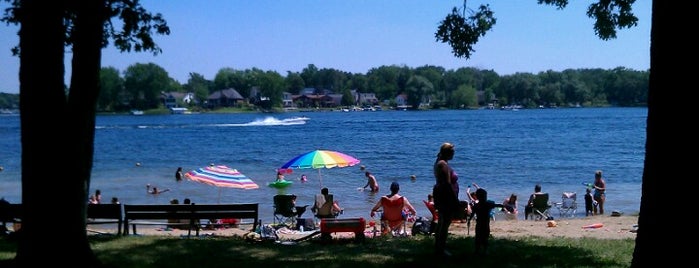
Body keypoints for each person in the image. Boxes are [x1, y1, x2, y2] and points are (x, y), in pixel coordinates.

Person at [432, 142, 460, 258]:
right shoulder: (442, 164)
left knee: (442, 222)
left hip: (442, 196)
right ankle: (441, 249)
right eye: (452, 152)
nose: (453, 154)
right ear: (447, 152)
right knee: (445, 223)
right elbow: (447, 184)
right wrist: (455, 200)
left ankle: (439, 247)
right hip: (446, 197)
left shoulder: (440, 162)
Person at [473, 188, 504, 255]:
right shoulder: (487, 204)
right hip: (485, 224)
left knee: (478, 237)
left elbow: (473, 213)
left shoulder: (477, 205)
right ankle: (485, 250)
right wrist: (501, 205)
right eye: (485, 196)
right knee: (485, 237)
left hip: (478, 224)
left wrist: (469, 220)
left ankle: (477, 250)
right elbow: (496, 205)